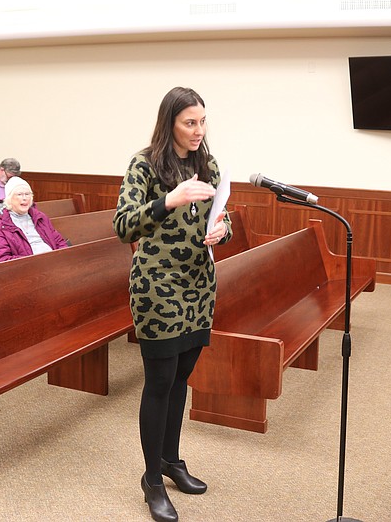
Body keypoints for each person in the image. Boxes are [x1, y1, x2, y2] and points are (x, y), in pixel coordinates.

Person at [113, 87, 232, 522]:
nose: (199, 130)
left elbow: (221, 212)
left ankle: (170, 459)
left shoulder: (209, 164)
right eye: (190, 122)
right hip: (157, 286)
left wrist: (223, 229)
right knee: (160, 382)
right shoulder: (144, 163)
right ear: (170, 123)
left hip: (199, 284)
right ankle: (150, 479)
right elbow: (123, 226)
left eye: (202, 121)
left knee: (183, 377)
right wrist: (171, 199)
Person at [0, 176, 68, 263]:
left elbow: (60, 242)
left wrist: (62, 259)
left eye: (27, 194)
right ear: (9, 199)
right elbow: (1, 260)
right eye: (19, 194)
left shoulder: (40, 217)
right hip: (28, 269)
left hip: (53, 263)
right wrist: (34, 262)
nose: (25, 198)